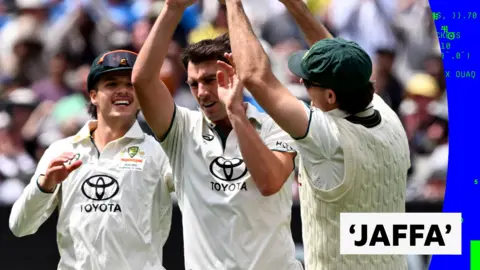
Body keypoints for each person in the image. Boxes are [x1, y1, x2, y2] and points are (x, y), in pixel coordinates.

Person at [222, 0, 410, 269]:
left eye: (309, 81)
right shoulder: (387, 115)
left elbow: (255, 77)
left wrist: (232, 3)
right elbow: (340, 60)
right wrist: (296, 7)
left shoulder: (328, 138)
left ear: (331, 96)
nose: (301, 82)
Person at [131, 0, 302, 269]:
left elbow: (270, 182)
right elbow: (142, 81)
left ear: (235, 75)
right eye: (194, 84)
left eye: (210, 80)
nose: (201, 92)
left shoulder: (275, 126)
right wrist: (172, 9)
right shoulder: (182, 130)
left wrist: (235, 112)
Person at [9, 50, 173, 270]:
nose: (122, 90)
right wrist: (45, 185)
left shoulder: (161, 152)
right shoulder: (61, 150)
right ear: (93, 95)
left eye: (130, 85)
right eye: (112, 84)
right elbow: (20, 226)